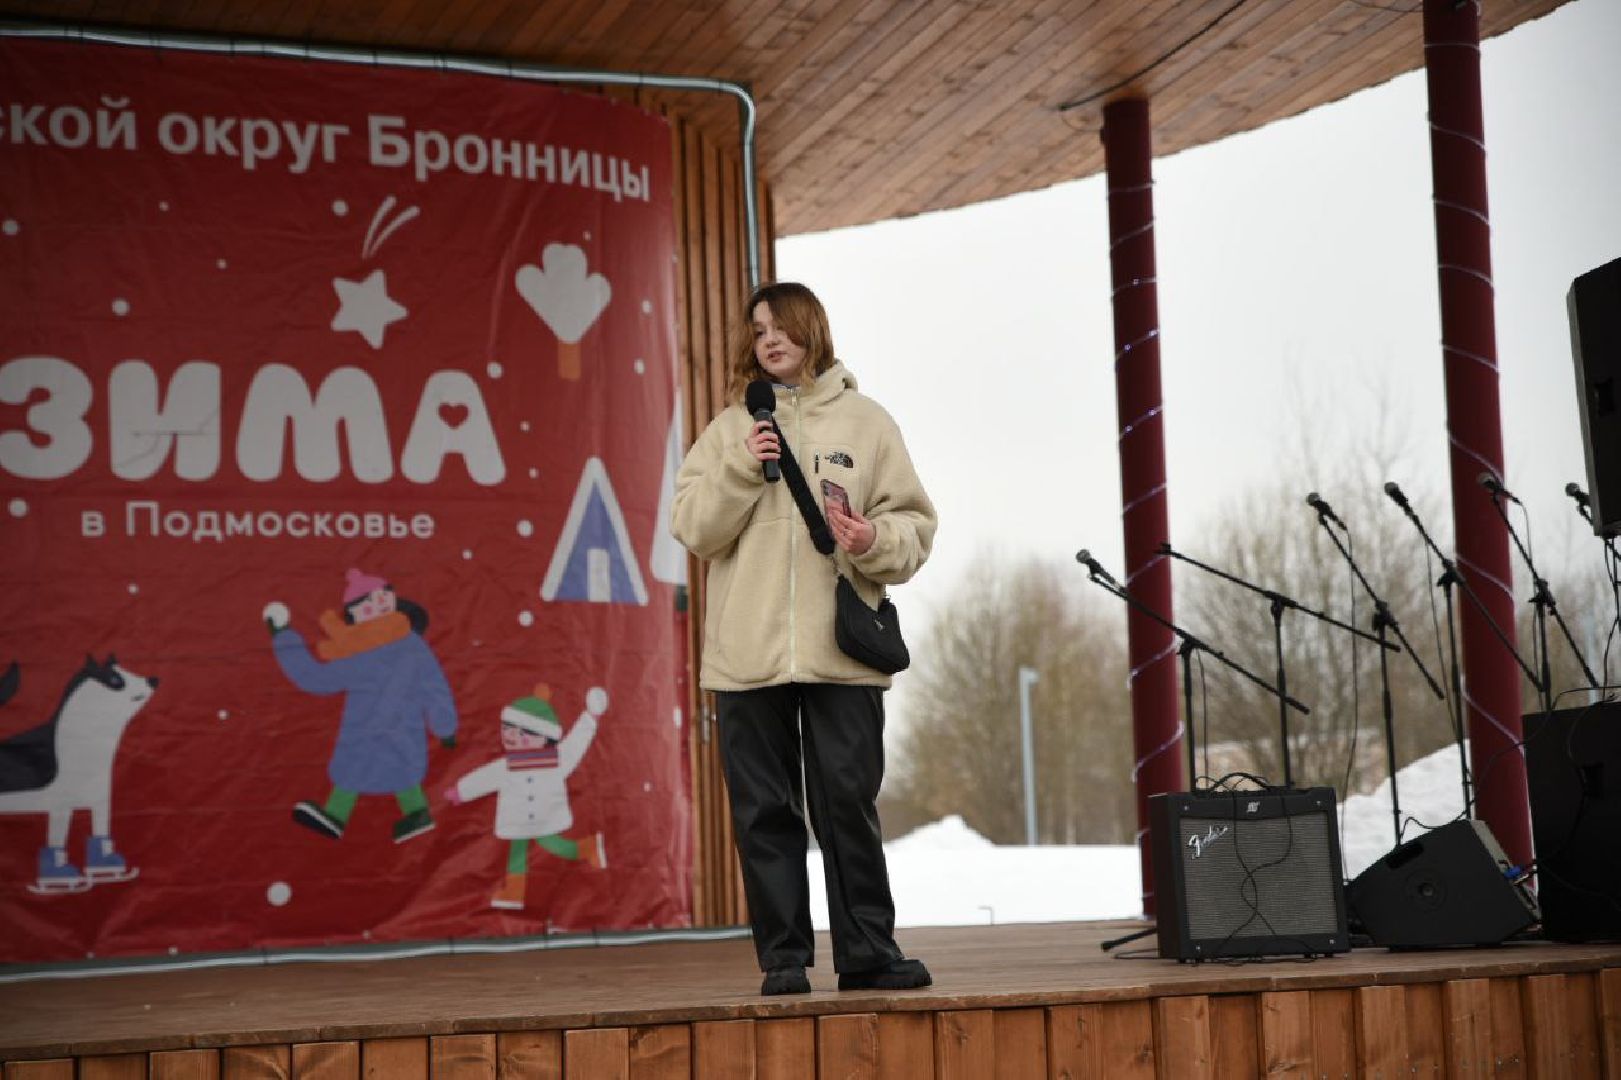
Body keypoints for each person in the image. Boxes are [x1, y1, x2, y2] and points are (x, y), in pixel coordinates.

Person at [671, 282, 937, 995]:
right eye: (757, 330)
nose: (769, 340)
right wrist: (738, 465)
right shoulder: (730, 428)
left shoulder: (867, 423)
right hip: (746, 657)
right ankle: (783, 959)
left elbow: (915, 528)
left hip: (841, 654)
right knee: (764, 814)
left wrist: (873, 536)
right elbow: (693, 529)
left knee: (846, 805)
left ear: (811, 331)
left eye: (781, 326)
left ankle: (869, 954)